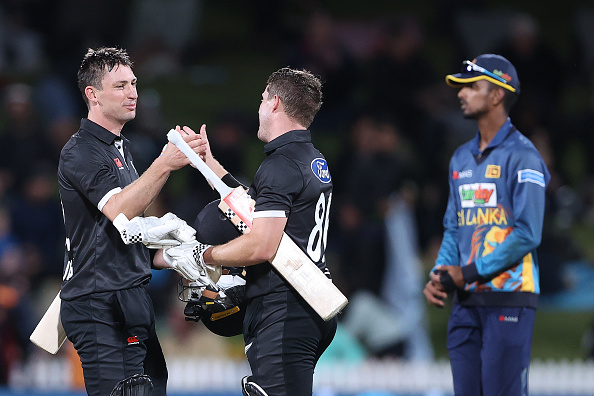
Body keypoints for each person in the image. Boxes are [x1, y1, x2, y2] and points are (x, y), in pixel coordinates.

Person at [161, 67, 338, 396]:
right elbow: (250, 208)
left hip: (283, 308)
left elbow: (262, 245)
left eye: (261, 99)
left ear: (274, 103)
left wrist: (202, 254)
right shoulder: (311, 158)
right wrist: (207, 162)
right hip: (311, 301)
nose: (259, 107)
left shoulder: (280, 165)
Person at [57, 47, 203, 396]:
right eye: (120, 85)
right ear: (92, 94)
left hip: (130, 294)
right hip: (99, 301)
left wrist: (176, 254)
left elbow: (126, 232)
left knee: (152, 389)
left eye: (134, 83)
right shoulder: (80, 151)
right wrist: (165, 163)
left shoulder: (119, 149)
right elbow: (119, 210)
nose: (133, 92)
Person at [423, 54, 550, 395]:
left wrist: (468, 272)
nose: (461, 93)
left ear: (497, 95)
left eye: (471, 86)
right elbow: (454, 226)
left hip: (509, 298)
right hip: (465, 302)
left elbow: (528, 233)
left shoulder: (524, 157)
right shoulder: (460, 157)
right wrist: (440, 272)